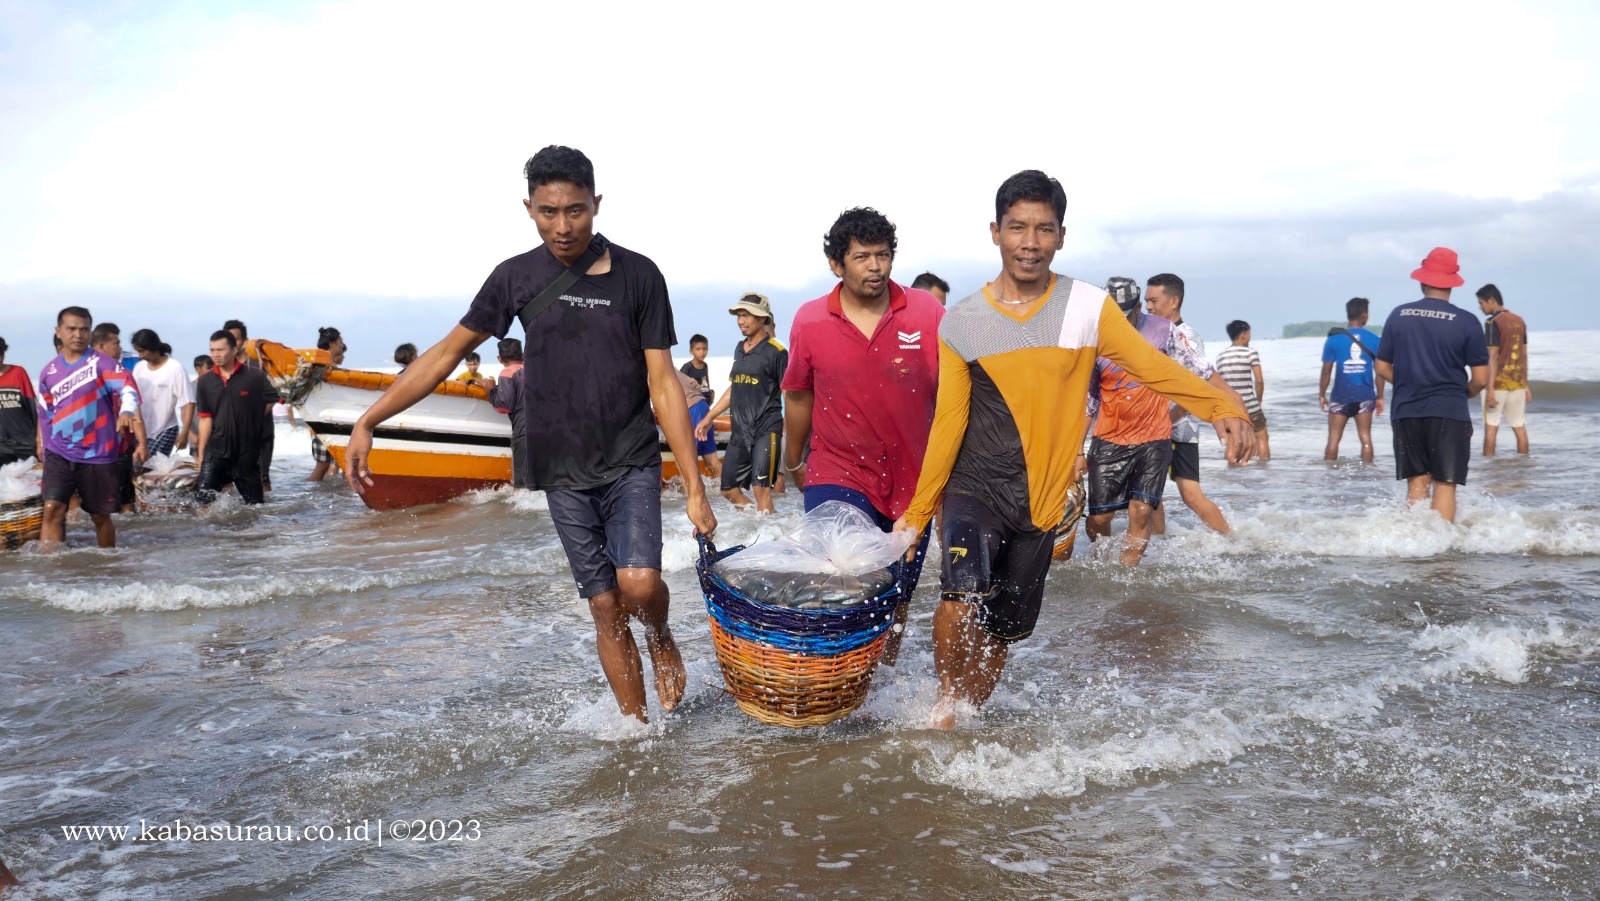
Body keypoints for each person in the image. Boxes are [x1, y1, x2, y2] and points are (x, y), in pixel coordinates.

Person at [343, 145, 716, 723]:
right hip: (559, 466)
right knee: (603, 605)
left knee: (639, 585)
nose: (562, 226)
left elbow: (663, 381)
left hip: (629, 454)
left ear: (597, 204)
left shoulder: (639, 274)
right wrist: (369, 419)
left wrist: (694, 486)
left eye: (575, 211)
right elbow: (446, 353)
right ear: (529, 208)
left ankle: (662, 636)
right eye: (548, 212)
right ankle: (639, 739)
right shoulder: (514, 277)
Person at [892, 170, 1255, 728]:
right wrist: (918, 514)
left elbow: (1152, 367)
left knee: (1005, 627)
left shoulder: (1087, 308)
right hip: (976, 481)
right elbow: (948, 421)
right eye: (1017, 227)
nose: (1029, 241)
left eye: (1044, 229)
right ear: (995, 232)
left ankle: (967, 716)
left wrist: (1222, 408)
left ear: (1061, 236)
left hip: (1043, 497)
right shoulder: (962, 320)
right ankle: (944, 705)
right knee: (958, 596)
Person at [782, 207, 945, 664]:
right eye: (861, 257)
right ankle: (838, 679)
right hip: (837, 469)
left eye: (883, 255)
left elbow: (956, 392)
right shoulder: (810, 320)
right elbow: (798, 395)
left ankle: (879, 681)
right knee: (845, 581)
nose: (875, 266)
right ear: (837, 264)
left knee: (897, 594)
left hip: (915, 479)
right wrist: (793, 459)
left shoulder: (926, 311)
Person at [1375, 247, 1489, 522]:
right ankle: (1441, 555)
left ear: (1422, 279)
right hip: (1449, 410)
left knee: (1416, 483)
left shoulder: (1398, 315)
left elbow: (1381, 367)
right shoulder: (1467, 321)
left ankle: (1416, 546)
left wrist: (1408, 381)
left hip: (1406, 409)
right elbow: (1482, 379)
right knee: (1445, 484)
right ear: (1452, 282)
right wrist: (1462, 394)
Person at [38, 307, 143, 548]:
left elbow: (128, 387)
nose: (78, 334)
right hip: (59, 451)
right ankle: (48, 572)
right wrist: (44, 445)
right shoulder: (49, 371)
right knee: (52, 509)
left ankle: (107, 567)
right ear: (59, 331)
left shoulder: (103, 364)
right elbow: (45, 413)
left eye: (84, 329)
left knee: (99, 516)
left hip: (97, 453)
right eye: (71, 329)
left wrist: (127, 409)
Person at [1143, 273, 1236, 538]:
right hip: (1153, 429)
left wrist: (1167, 419)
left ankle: (1232, 542)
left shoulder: (1188, 336)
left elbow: (1198, 388)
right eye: (1146, 301)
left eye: (1153, 300)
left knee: (1191, 496)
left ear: (1173, 301)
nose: (1148, 306)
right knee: (1149, 495)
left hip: (1178, 428)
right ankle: (1156, 544)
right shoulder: (1150, 334)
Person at [695, 293, 787, 514]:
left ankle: (769, 541)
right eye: (739, 315)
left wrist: (792, 431)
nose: (741, 321)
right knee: (728, 489)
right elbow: (734, 387)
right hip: (740, 429)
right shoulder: (739, 348)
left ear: (763, 318)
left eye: (747, 315)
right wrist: (709, 417)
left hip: (767, 428)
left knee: (760, 488)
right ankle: (760, 527)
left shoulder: (777, 352)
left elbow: (789, 393)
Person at [195, 330, 279, 505]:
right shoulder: (205, 381)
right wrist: (201, 453)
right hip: (216, 452)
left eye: (220, 349)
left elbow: (280, 396)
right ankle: (207, 533)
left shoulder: (255, 377)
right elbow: (205, 419)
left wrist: (256, 411)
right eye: (212, 350)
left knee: (255, 506)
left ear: (234, 350)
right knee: (203, 502)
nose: (216, 355)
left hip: (246, 454)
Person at [91, 323, 149, 514]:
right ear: (101, 346)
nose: (120, 347)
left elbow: (135, 411)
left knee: (125, 499)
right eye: (116, 343)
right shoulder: (85, 375)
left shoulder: (122, 373)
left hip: (121, 445)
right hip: (91, 448)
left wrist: (141, 443)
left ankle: (129, 539)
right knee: (93, 500)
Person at [1320, 297, 1386, 463]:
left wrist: (1322, 395)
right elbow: (1379, 372)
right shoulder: (1374, 339)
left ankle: (1328, 480)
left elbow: (1326, 371)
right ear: (1365, 315)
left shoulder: (1333, 340)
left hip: (1340, 396)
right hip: (1365, 395)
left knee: (1333, 439)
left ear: (1348, 314)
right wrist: (1380, 397)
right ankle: (1366, 477)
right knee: (1365, 439)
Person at [1476, 284, 1530, 456]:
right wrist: (1525, 385)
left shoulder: (1492, 322)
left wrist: (1490, 388)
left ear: (1491, 300)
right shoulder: (1519, 320)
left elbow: (1493, 356)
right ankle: (1524, 465)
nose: (1480, 307)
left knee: (1491, 427)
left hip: (1498, 383)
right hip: (1517, 382)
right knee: (1519, 427)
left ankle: (1489, 469)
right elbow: (1524, 355)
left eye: (1482, 303)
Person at [224, 320, 276, 491]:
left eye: (236, 339)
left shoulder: (258, 366)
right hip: (230, 435)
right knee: (228, 479)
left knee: (262, 478)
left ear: (245, 341)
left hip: (259, 433)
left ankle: (265, 515)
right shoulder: (223, 368)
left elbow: (272, 397)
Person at [131, 329, 195, 459]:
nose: (140, 356)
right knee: (138, 471)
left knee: (150, 468)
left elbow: (188, 402)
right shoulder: (139, 368)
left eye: (142, 351)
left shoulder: (175, 368)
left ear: (153, 347)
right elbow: (132, 399)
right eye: (138, 352)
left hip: (166, 429)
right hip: (141, 430)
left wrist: (185, 431)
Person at [1214, 320, 1270, 459]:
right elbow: (1259, 380)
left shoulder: (1221, 356)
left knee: (1233, 442)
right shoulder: (1251, 353)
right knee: (1262, 438)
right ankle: (1264, 471)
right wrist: (1259, 399)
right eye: (1249, 333)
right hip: (1250, 405)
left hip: (1231, 407)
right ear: (1243, 335)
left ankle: (1232, 473)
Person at [485, 337, 532, 489]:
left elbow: (503, 406)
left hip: (524, 432)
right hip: (548, 432)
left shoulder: (507, 373)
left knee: (522, 486)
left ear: (499, 359)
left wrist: (491, 390)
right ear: (523, 355)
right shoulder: (535, 369)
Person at [308, 327, 346, 482]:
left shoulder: (321, 366)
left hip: (325, 421)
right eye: (340, 342)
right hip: (324, 421)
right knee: (324, 464)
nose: (342, 345)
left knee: (329, 464)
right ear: (332, 344)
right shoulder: (321, 367)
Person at [0, 337, 40, 467]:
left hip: (26, 444)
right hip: (3, 447)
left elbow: (33, 406)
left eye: (1, 354)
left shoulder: (18, 373)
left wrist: (39, 439)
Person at [679, 333, 714, 406]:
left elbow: (705, 383)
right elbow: (680, 385)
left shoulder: (705, 365)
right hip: (694, 404)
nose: (702, 352)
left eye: (704, 349)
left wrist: (710, 396)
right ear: (691, 351)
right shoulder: (688, 367)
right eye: (698, 349)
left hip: (705, 402)